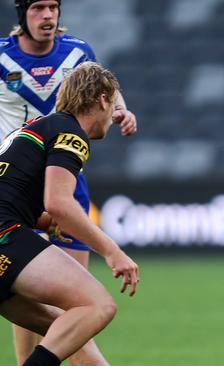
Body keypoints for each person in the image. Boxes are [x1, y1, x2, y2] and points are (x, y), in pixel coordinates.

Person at [0, 1, 137, 364]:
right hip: (8, 231)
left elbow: (45, 208)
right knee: (97, 305)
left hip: (16, 207)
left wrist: (44, 219)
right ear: (101, 100)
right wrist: (114, 252)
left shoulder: (35, 130)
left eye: (53, 7)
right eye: (38, 7)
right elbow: (59, 203)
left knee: (62, 323)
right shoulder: (68, 134)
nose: (47, 15)